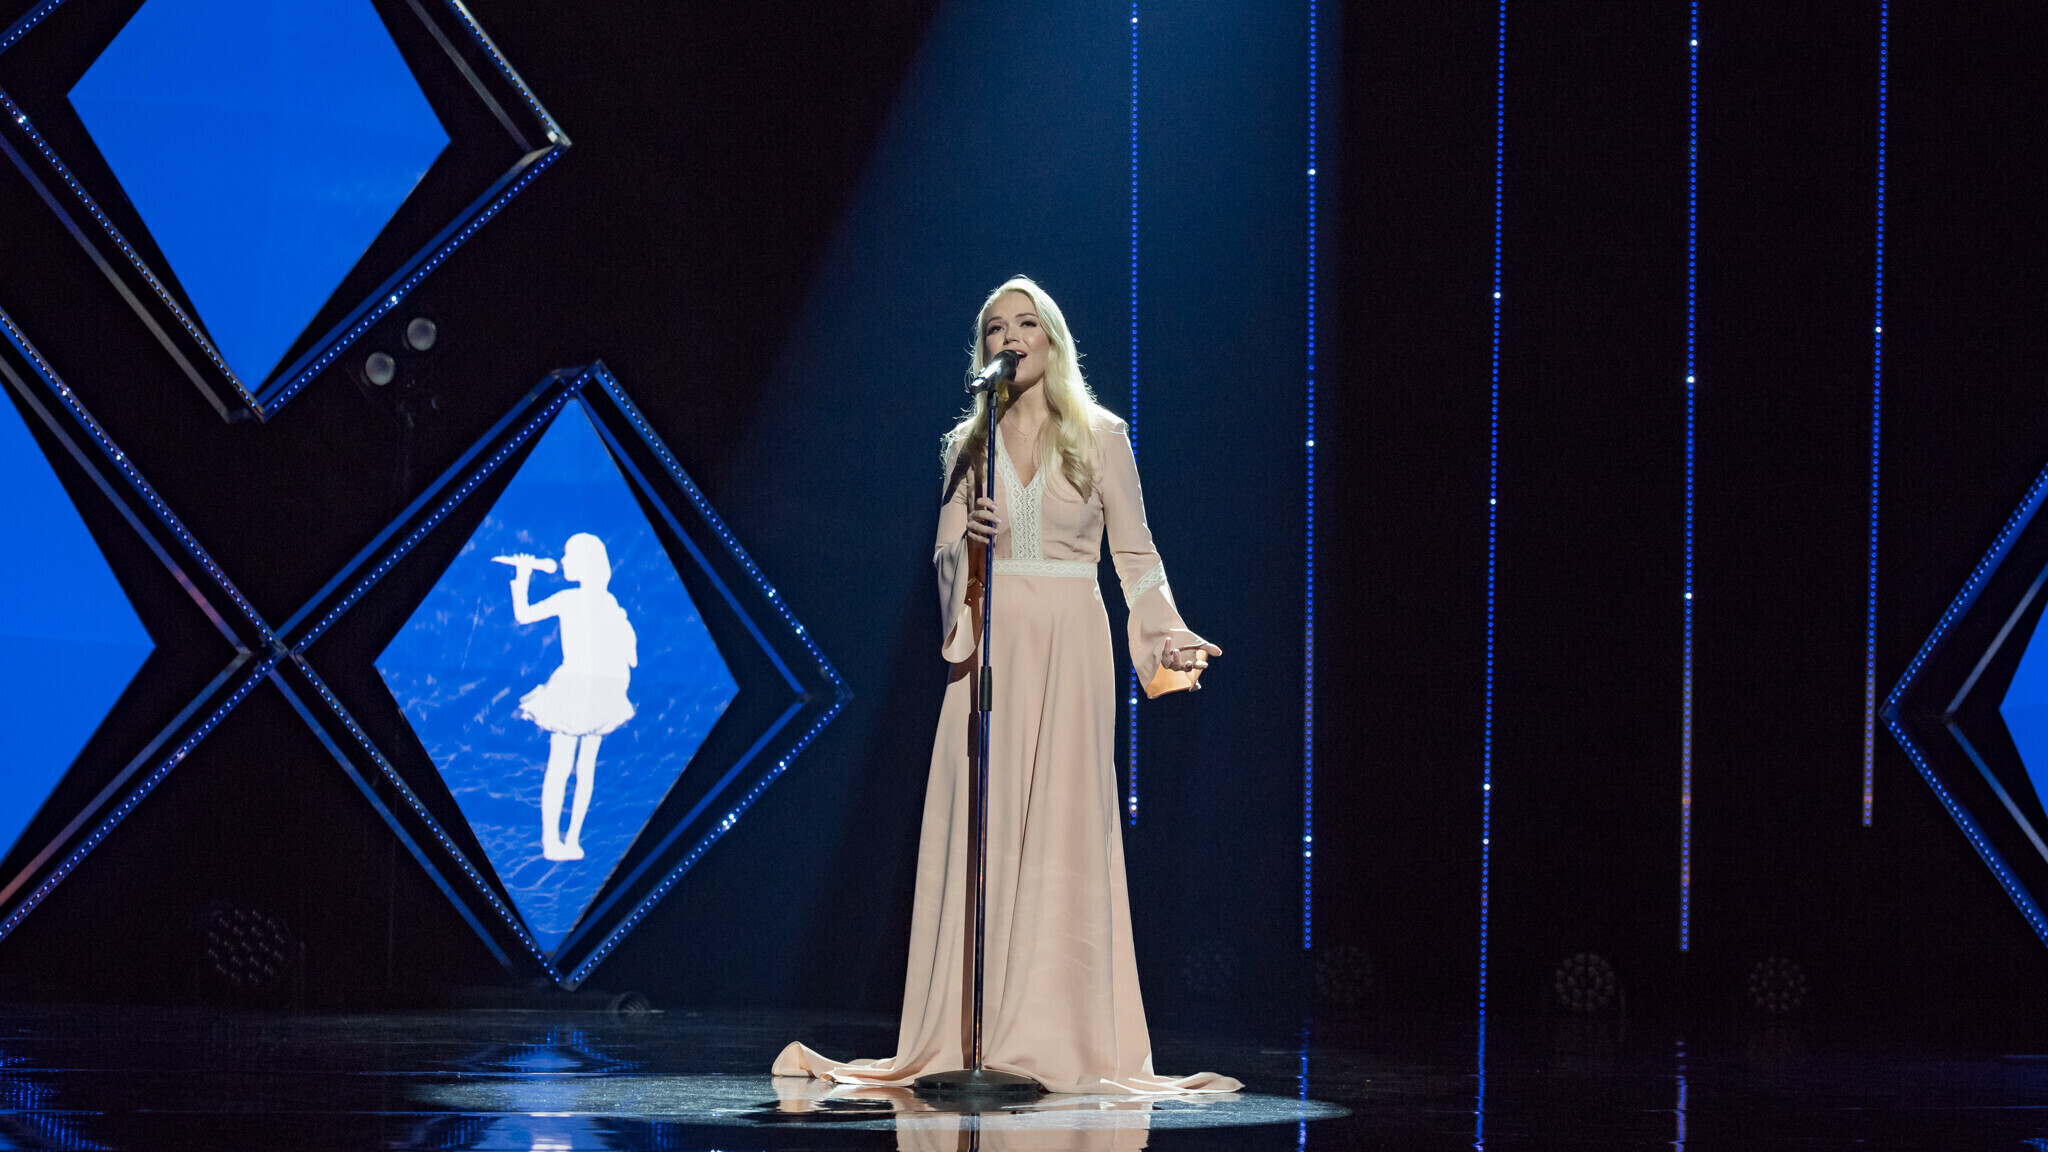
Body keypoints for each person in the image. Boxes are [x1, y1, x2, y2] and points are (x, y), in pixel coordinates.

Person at [773, 276, 1238, 1095]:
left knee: (1061, 824)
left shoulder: (1101, 435)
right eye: (996, 328)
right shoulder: (968, 446)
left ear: (1052, 341)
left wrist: (1166, 633)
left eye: (1027, 324)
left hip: (1070, 643)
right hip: (988, 647)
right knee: (981, 825)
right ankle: (973, 1035)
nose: (1011, 337)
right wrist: (970, 549)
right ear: (982, 350)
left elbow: (1134, 554)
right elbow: (942, 559)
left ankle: (1052, 1033)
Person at [493, 533, 638, 862]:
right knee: (584, 768)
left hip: (577, 687)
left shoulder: (570, 598)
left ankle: (554, 841)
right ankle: (569, 840)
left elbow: (524, 615)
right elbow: (627, 654)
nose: (562, 561)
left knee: (561, 767)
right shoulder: (609, 602)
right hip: (602, 689)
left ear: (585, 563)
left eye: (569, 556)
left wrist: (523, 576)